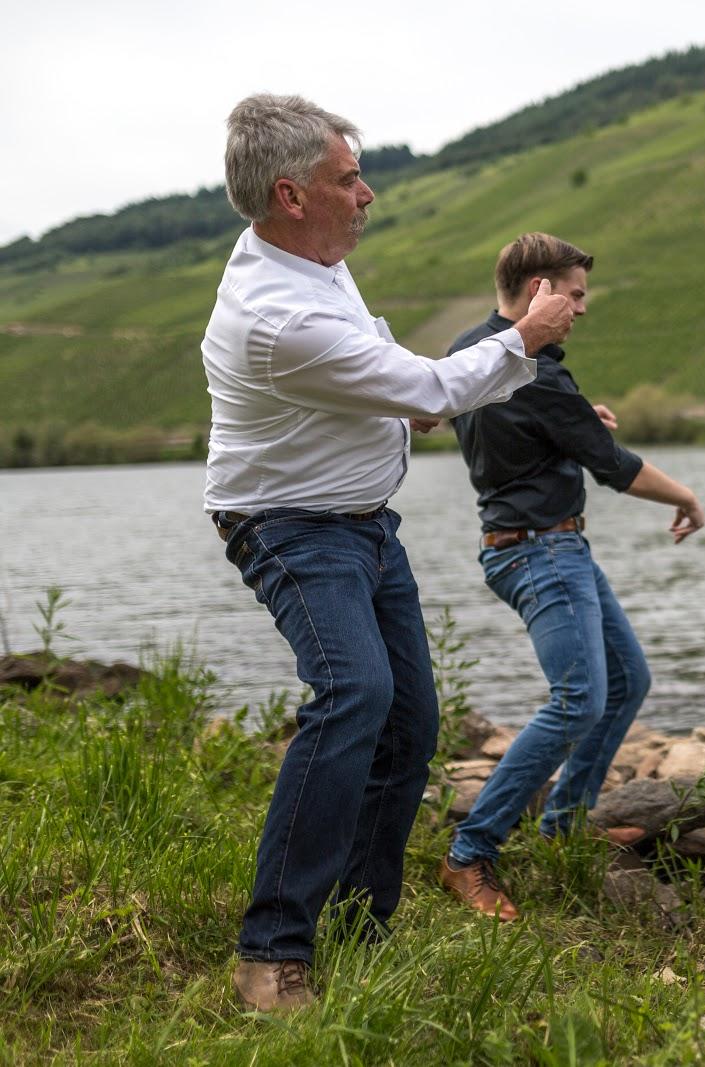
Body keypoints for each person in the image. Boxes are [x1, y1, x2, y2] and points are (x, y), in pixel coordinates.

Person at [202, 97, 574, 1013]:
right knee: (354, 693)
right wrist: (522, 338)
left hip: (362, 520)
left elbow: (389, 380)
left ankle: (358, 926)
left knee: (410, 722)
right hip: (286, 523)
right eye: (346, 178)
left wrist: (417, 399)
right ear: (290, 194)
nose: (366, 193)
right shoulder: (277, 313)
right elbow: (432, 386)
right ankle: (272, 949)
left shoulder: (316, 259)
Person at [439, 232, 705, 921]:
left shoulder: (472, 350)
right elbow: (614, 467)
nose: (581, 309)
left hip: (544, 546)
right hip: (539, 551)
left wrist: (572, 421)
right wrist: (684, 496)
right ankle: (470, 851)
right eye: (575, 294)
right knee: (579, 698)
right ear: (540, 291)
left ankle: (561, 824)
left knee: (626, 681)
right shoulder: (538, 373)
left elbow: (506, 433)